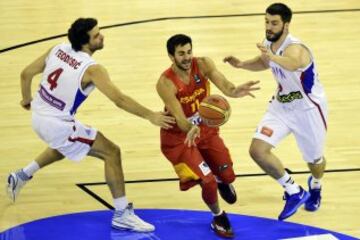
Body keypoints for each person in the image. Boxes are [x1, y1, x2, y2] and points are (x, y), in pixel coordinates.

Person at [6, 17, 176, 232]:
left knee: (66, 145)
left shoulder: (57, 49)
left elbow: (25, 74)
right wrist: (151, 115)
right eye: (96, 35)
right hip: (56, 124)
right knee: (111, 152)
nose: (102, 36)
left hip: (39, 115)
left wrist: (26, 99)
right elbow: (119, 100)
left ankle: (21, 175)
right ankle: (122, 214)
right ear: (86, 43)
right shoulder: (93, 69)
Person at [224, 3, 328, 221]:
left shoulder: (296, 48)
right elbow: (264, 62)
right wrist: (242, 64)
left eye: (274, 23)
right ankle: (294, 191)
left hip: (308, 109)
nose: (269, 27)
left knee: (315, 162)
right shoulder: (268, 44)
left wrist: (271, 56)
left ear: (286, 25)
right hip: (281, 106)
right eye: (266, 22)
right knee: (257, 151)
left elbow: (292, 63)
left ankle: (315, 185)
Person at [156, 34, 260, 238]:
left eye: (188, 52)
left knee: (227, 174)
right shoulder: (165, 83)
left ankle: (223, 181)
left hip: (205, 130)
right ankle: (218, 216)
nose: (186, 57)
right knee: (208, 181)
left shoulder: (203, 64)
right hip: (180, 139)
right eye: (181, 54)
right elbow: (178, 117)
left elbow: (224, 84)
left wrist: (234, 90)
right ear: (171, 56)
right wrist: (190, 128)